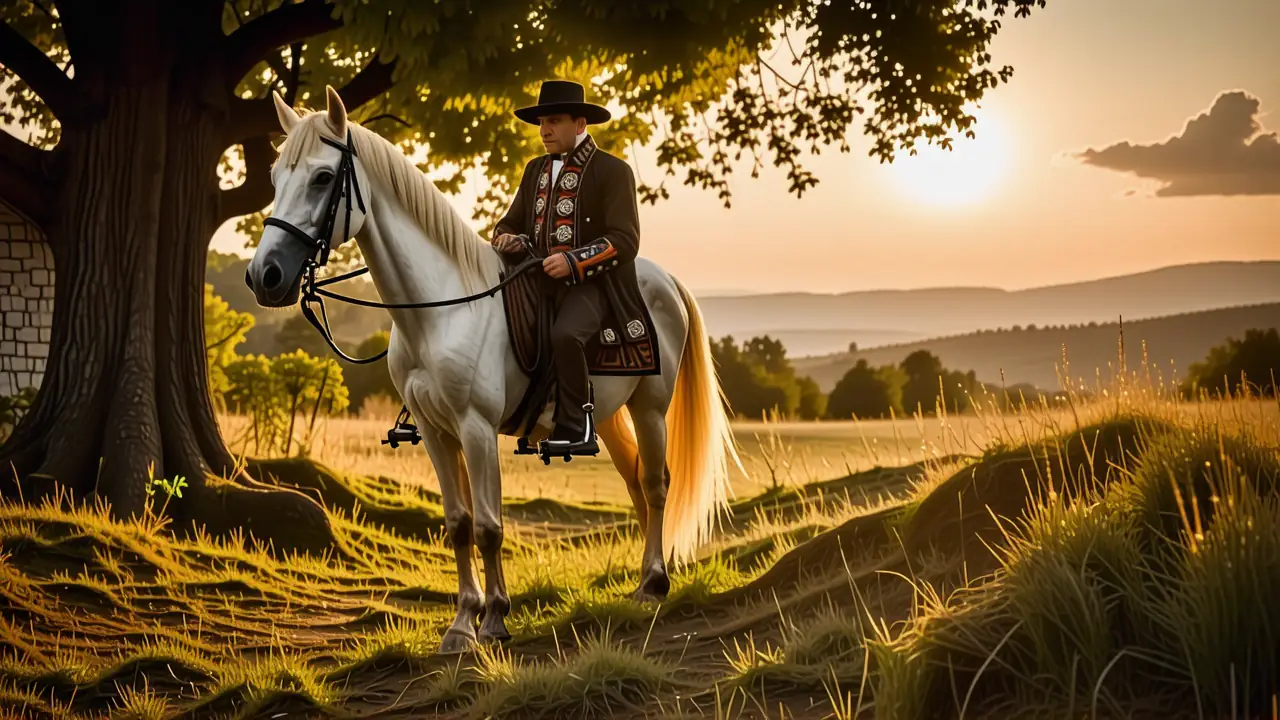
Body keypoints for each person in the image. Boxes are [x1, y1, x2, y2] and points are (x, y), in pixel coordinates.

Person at [490, 80, 644, 458]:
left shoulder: (613, 171)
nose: (543, 131)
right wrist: (506, 240)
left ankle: (577, 427)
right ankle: (526, 415)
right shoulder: (534, 170)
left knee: (565, 335)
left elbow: (625, 239)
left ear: (580, 124)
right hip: (535, 280)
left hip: (594, 285)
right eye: (542, 122)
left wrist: (573, 262)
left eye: (553, 121)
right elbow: (508, 224)